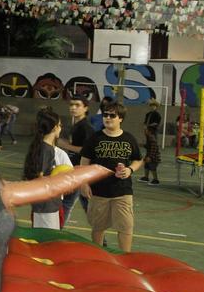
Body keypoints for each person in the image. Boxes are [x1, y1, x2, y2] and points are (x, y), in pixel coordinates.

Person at [80, 101, 143, 252]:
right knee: (98, 227)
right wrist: (83, 183)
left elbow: (138, 159)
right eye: (105, 115)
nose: (107, 118)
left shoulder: (129, 139)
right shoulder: (95, 138)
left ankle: (125, 258)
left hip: (123, 192)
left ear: (120, 118)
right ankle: (99, 255)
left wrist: (130, 170)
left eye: (112, 115)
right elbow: (84, 163)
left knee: (125, 227)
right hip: (98, 192)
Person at [23, 108, 73, 229]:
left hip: (49, 204)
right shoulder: (46, 150)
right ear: (55, 128)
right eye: (60, 125)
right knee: (46, 241)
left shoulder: (44, 147)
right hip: (45, 206)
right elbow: (40, 178)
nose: (61, 128)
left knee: (49, 239)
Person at [57, 95, 95, 222]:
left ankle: (57, 231)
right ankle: (101, 237)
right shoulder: (76, 125)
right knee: (86, 205)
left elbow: (87, 150)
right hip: (74, 169)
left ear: (85, 108)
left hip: (80, 171)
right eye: (71, 105)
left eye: (77, 105)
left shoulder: (86, 127)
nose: (73, 108)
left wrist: (65, 145)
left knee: (67, 203)